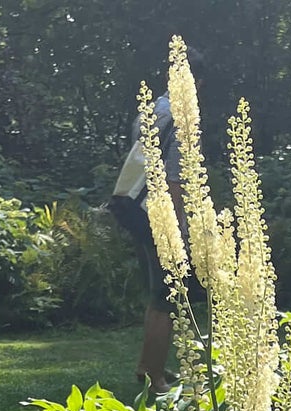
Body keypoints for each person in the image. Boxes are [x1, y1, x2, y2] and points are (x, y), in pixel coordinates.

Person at [108, 56, 201, 393]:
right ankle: (155, 378)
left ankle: (147, 366)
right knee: (169, 296)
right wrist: (178, 230)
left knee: (157, 290)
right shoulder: (182, 118)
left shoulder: (150, 110)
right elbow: (175, 179)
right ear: (195, 84)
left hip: (135, 210)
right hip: (160, 216)